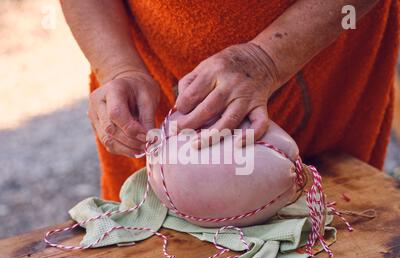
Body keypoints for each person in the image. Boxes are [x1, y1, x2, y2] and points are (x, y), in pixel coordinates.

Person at [61, 0, 399, 201]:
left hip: (321, 57)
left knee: (331, 244)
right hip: (152, 64)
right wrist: (119, 68)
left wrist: (267, 58)